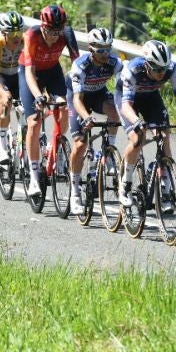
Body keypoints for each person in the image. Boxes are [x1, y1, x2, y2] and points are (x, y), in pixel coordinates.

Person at [118, 39, 176, 209]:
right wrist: (137, 122)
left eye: (164, 68)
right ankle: (125, 182)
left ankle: (166, 188)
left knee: (164, 136)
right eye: (157, 69)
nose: (161, 73)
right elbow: (126, 106)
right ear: (147, 64)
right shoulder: (132, 70)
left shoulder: (172, 68)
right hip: (128, 100)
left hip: (151, 97)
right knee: (137, 138)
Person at [20, 3, 80, 198]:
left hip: (53, 72)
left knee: (63, 108)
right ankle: (35, 176)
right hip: (31, 73)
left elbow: (77, 66)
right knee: (35, 122)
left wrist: (79, 92)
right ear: (42, 26)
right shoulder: (31, 35)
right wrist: (38, 95)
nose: (54, 36)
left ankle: (57, 148)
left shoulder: (67, 34)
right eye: (50, 31)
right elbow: (29, 73)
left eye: (58, 32)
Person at [66, 27, 124, 215]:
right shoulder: (80, 65)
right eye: (100, 50)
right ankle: (74, 192)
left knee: (114, 114)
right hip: (78, 96)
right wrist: (86, 117)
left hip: (98, 92)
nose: (105, 54)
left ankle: (108, 155)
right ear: (91, 49)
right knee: (81, 143)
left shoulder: (114, 62)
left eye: (108, 49)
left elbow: (124, 90)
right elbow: (77, 100)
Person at [0, 10, 25, 165]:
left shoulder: (25, 42)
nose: (17, 37)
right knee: (6, 101)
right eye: (12, 33)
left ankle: (24, 141)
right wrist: (3, 92)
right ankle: (2, 148)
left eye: (19, 32)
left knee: (25, 108)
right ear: (3, 33)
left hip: (17, 74)